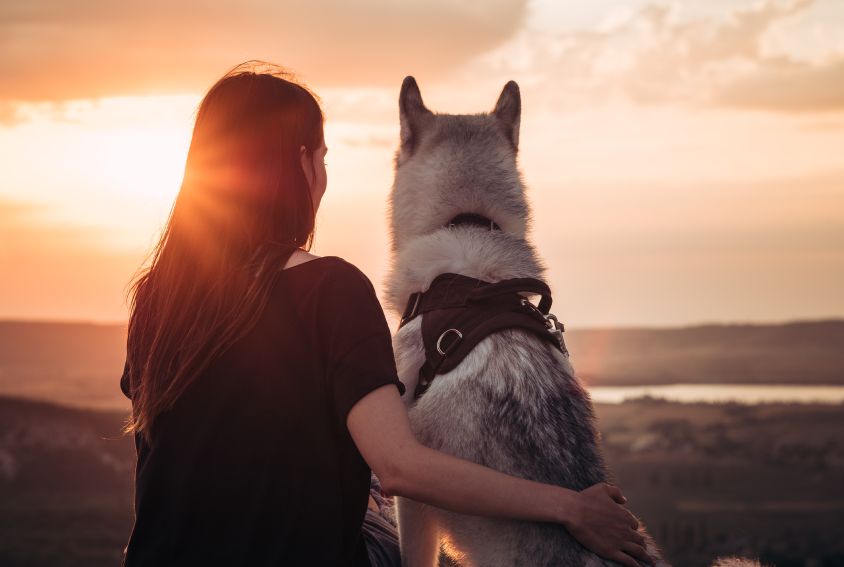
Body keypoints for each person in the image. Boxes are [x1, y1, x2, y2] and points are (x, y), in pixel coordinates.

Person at [119, 62, 652, 567]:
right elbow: (399, 467)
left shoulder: (157, 301)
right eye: (322, 157)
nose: (323, 175)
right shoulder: (329, 289)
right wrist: (571, 507)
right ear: (299, 162)